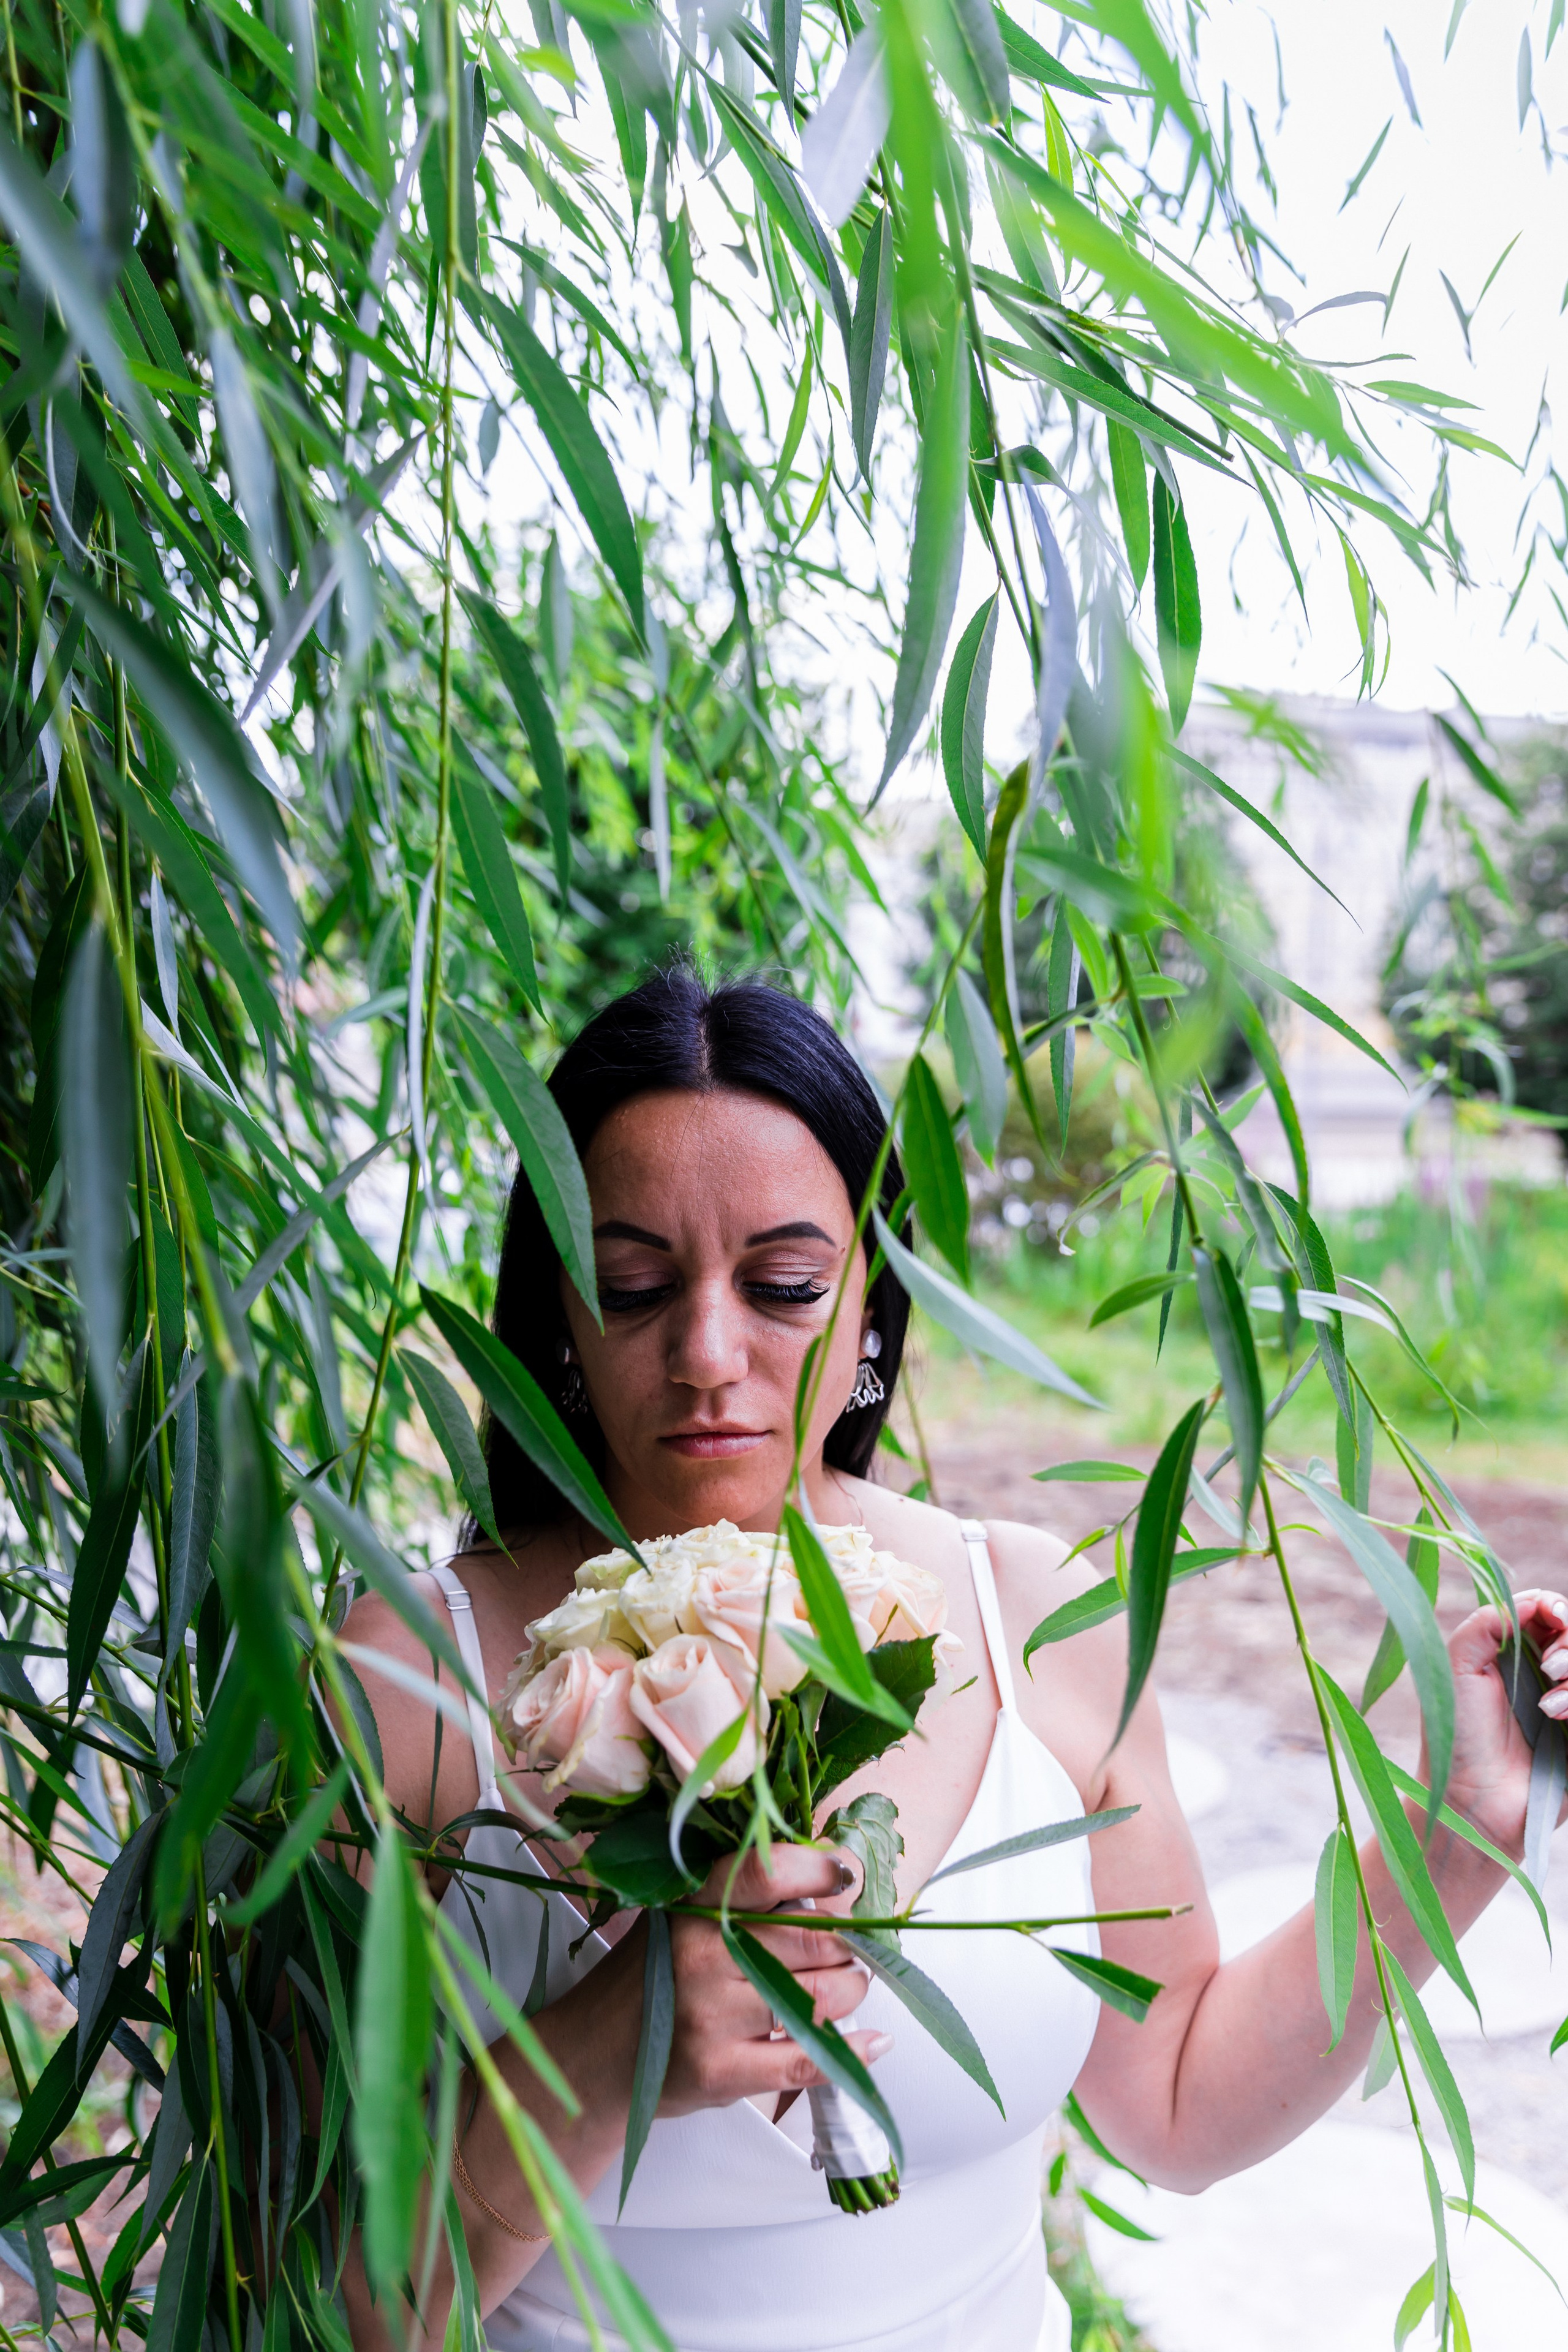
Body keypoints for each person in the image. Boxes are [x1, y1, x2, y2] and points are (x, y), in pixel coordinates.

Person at [340, 965, 1567, 2352]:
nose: (706, 1352)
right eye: (631, 1288)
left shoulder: (1030, 1616)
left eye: (786, 1286)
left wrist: (1463, 1833)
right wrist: (598, 2053)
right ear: (557, 1316)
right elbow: (321, 2294)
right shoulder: (398, 1686)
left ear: (876, 1306)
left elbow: (1175, 2101)